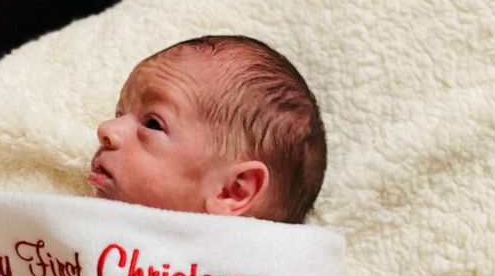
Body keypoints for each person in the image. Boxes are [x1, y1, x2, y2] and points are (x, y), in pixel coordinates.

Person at [88, 34, 327, 223]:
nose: (107, 129)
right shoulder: (71, 227)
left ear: (232, 190)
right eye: (119, 113)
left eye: (153, 124)